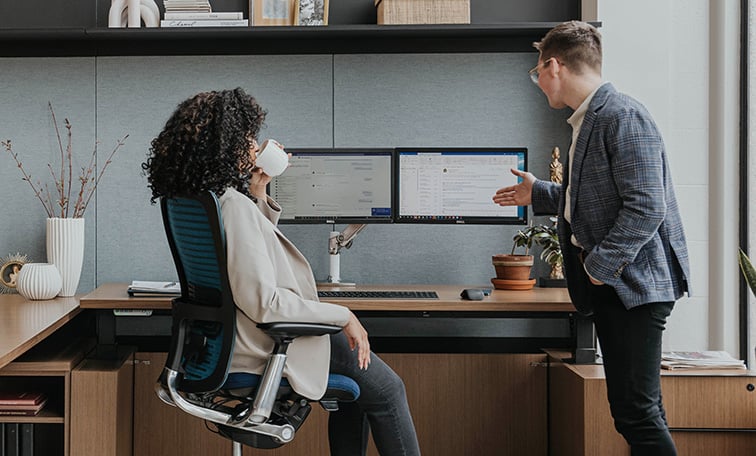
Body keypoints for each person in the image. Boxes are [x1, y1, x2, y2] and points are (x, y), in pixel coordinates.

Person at [142, 88, 421, 456]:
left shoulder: (208, 199)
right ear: (225, 144)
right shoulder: (232, 207)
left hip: (232, 342)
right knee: (388, 392)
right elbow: (265, 302)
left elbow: (245, 258)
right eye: (248, 138)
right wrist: (344, 315)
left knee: (360, 395)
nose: (255, 147)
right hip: (269, 342)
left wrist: (258, 192)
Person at [493, 21, 690, 456]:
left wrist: (598, 268)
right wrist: (539, 193)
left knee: (636, 413)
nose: (537, 82)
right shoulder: (589, 117)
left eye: (536, 73)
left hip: (633, 288)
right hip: (620, 286)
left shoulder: (621, 114)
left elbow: (646, 206)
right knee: (636, 410)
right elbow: (601, 197)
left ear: (554, 65)